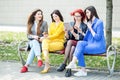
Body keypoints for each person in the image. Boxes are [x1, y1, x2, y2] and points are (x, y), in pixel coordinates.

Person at [66, 6, 106, 77]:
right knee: (80, 43)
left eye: (87, 12)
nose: (86, 14)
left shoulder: (99, 22)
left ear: (92, 12)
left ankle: (79, 67)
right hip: (91, 44)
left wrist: (90, 28)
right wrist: (81, 32)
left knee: (79, 48)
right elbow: (87, 37)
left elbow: (98, 37)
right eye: (86, 13)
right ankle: (76, 65)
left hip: (98, 46)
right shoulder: (90, 22)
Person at [57, 9, 87, 77]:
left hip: (79, 43)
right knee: (72, 47)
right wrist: (66, 32)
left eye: (78, 16)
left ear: (82, 16)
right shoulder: (71, 24)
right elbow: (67, 37)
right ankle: (69, 70)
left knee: (71, 42)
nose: (76, 18)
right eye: (75, 16)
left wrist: (73, 32)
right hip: (70, 45)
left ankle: (64, 63)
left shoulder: (84, 26)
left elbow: (81, 38)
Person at [40, 10, 65, 74]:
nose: (54, 18)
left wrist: (46, 37)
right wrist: (46, 35)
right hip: (51, 41)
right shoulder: (52, 24)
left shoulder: (62, 24)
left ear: (59, 16)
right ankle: (47, 64)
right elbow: (50, 35)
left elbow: (56, 35)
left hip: (59, 43)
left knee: (44, 46)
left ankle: (47, 65)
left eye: (56, 16)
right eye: (53, 17)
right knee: (44, 42)